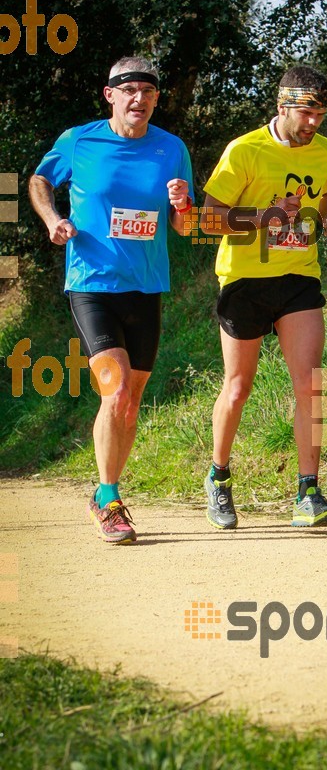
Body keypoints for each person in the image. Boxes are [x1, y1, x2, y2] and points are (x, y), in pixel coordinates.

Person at [29, 56, 194, 545]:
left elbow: (184, 226)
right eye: (128, 90)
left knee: (131, 401)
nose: (138, 98)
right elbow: (40, 181)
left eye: (147, 91)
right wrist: (51, 219)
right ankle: (109, 497)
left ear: (156, 99)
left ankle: (106, 495)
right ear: (110, 95)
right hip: (92, 285)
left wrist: (183, 204)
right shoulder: (79, 140)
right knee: (116, 389)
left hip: (145, 289)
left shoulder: (172, 149)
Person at [200, 65, 327, 530]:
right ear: (282, 106)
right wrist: (263, 218)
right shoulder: (244, 151)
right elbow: (208, 220)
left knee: (310, 384)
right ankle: (218, 479)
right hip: (244, 280)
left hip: (298, 278)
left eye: (321, 113)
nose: (314, 123)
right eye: (306, 112)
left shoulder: (324, 150)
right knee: (238, 387)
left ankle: (309, 492)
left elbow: (323, 197)